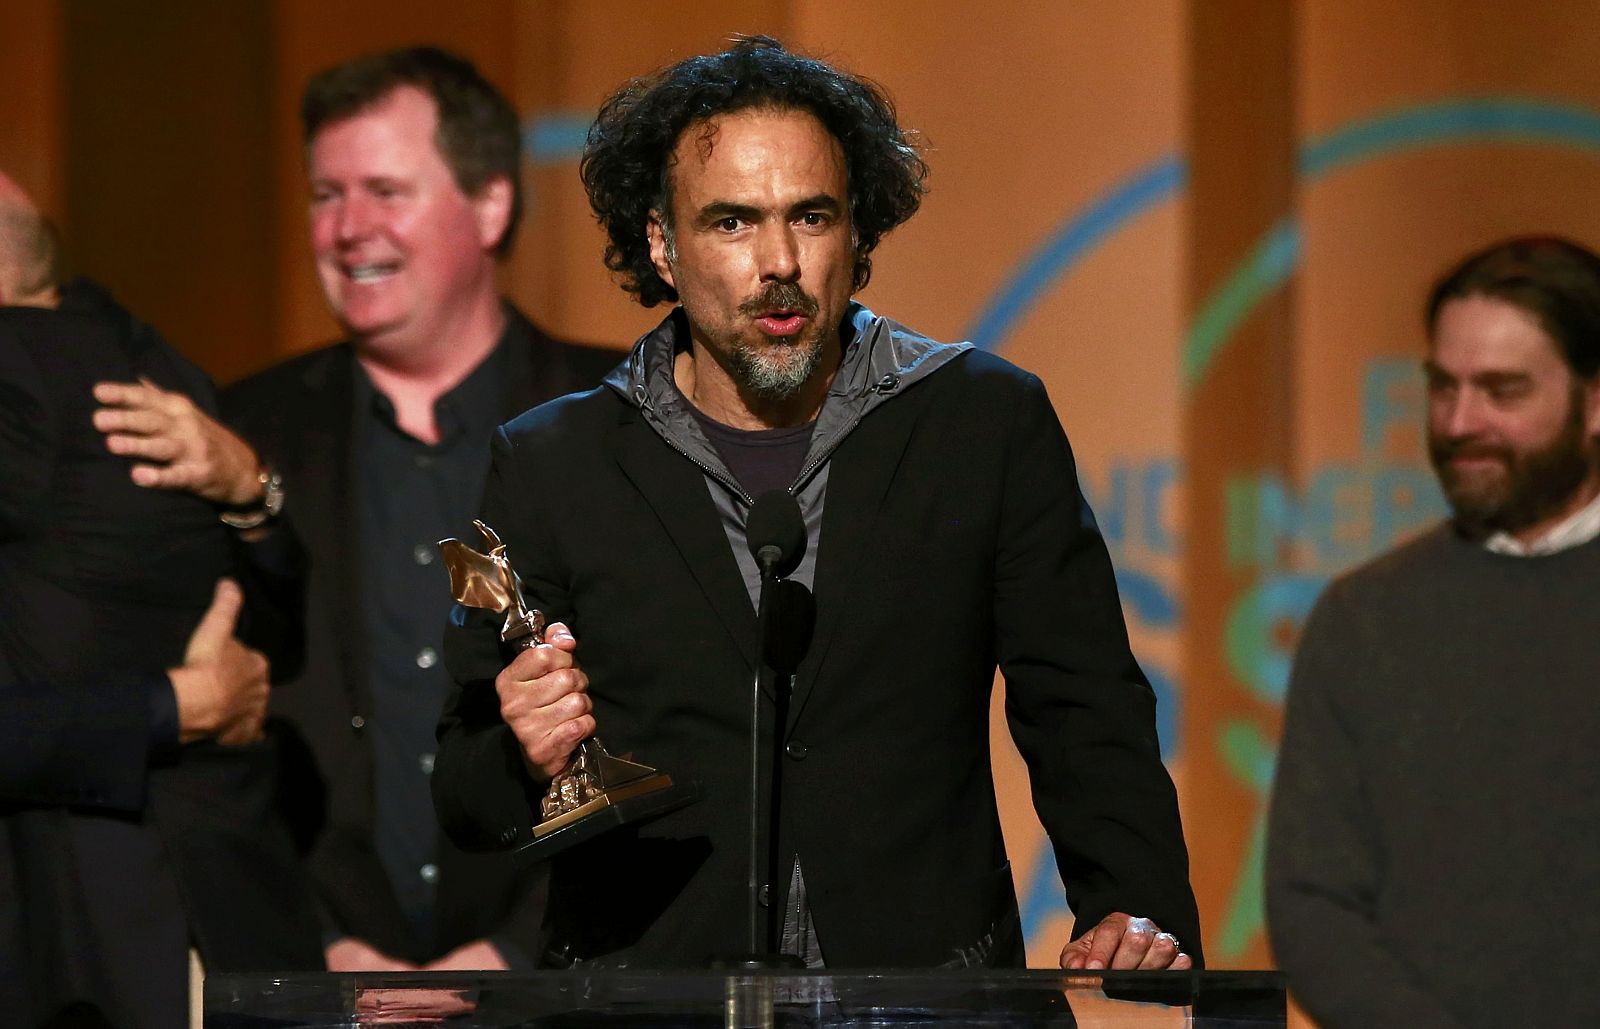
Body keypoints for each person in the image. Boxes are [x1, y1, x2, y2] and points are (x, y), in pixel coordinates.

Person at [433, 36, 1200, 970]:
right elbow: (466, 791)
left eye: (813, 216)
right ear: (661, 245)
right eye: (732, 223)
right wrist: (523, 749)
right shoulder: (557, 460)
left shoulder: (981, 421)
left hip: (920, 992)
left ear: (859, 233)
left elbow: (1084, 710)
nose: (779, 261)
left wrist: (1135, 912)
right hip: (651, 996)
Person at [222, 46, 617, 972]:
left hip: (568, 982)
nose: (348, 228)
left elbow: (679, 715)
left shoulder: (618, 419)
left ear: (490, 204)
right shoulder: (243, 432)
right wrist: (321, 945)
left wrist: (513, 955)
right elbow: (219, 745)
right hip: (314, 984)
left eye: (385, 190)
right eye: (326, 195)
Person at [0, 172, 321, 1027]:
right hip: (225, 921)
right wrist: (256, 493)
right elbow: (273, 648)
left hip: (99, 940)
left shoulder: (24, 387)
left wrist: (171, 705)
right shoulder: (155, 364)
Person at [1267, 237, 1600, 1027]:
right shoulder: (1366, 617)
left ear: (1594, 401)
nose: (1459, 422)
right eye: (1442, 386)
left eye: (1502, 390)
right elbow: (1312, 902)